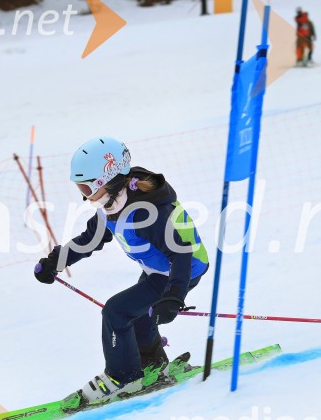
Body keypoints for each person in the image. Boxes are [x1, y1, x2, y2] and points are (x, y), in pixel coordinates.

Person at [34, 138, 209, 406]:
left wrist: (174, 296)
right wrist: (55, 262)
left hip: (180, 269)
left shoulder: (147, 213)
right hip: (158, 269)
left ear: (107, 181)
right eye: (80, 188)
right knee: (138, 313)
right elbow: (91, 239)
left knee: (116, 311)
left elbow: (180, 254)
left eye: (86, 187)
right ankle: (152, 364)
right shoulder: (112, 204)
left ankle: (122, 378)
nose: (84, 196)